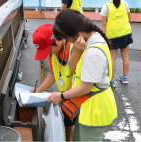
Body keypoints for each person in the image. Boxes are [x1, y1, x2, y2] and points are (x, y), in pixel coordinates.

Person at [47, 9, 117, 142]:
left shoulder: (93, 52)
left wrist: (60, 96)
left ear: (77, 34)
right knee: (76, 138)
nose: (66, 41)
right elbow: (72, 68)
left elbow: (85, 88)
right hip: (85, 104)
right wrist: (76, 52)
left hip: (95, 109)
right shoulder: (84, 42)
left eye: (66, 38)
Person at [30, 23, 83, 142]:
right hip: (67, 98)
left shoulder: (75, 50)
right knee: (67, 122)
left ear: (57, 41)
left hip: (79, 96)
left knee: (80, 132)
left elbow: (80, 82)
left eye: (49, 49)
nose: (49, 53)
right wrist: (39, 90)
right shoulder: (53, 53)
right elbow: (53, 74)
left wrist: (62, 95)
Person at [101, 0, 133, 86]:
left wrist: (102, 37)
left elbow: (103, 24)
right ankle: (125, 77)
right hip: (126, 33)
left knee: (112, 58)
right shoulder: (124, 3)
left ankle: (111, 80)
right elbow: (129, 18)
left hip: (112, 35)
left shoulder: (106, 6)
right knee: (125, 56)